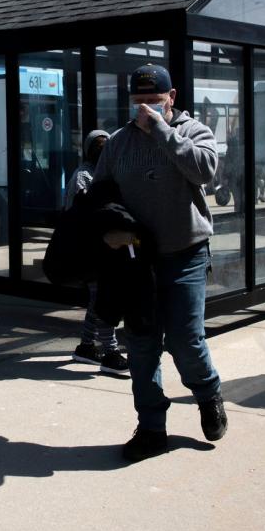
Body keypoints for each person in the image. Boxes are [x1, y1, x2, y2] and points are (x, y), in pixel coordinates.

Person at [92, 64, 226, 461]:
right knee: (143, 345)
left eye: (154, 100)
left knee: (185, 340)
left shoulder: (193, 132)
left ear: (172, 98)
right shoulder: (118, 143)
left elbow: (204, 171)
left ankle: (207, 393)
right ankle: (151, 426)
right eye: (138, 102)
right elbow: (99, 196)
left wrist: (163, 132)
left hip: (185, 253)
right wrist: (107, 231)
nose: (145, 108)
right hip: (137, 261)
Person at [65, 130, 129, 376]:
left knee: (97, 300)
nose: (103, 150)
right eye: (99, 146)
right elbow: (83, 215)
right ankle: (111, 351)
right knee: (103, 299)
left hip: (107, 249)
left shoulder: (109, 173)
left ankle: (86, 346)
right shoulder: (84, 176)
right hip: (90, 249)